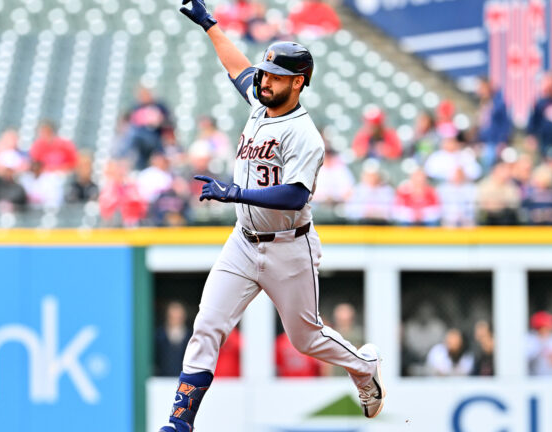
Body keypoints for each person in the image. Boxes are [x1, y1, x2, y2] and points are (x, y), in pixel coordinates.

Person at [159, 5, 385, 431]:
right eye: (265, 74)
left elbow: (296, 194)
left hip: (289, 247)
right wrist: (210, 25)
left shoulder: (306, 136)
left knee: (306, 339)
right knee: (206, 324)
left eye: (276, 77)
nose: (264, 81)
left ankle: (363, 365)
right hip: (243, 242)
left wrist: (236, 192)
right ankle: (179, 421)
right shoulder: (259, 104)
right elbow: (237, 68)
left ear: (298, 83)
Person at [155, 302, 193, 377]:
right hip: (163, 379)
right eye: (172, 317)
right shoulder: (159, 335)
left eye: (178, 317)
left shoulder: (191, 337)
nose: (175, 320)